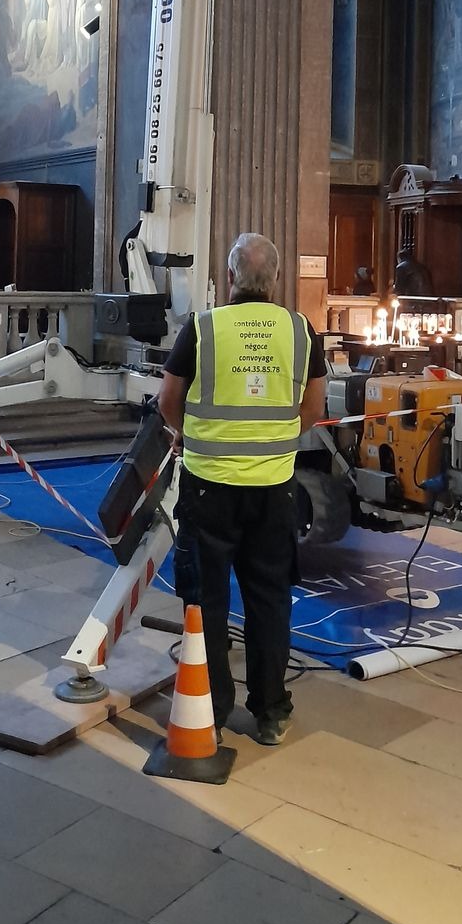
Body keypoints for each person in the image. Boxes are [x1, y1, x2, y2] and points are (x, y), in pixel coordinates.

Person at [158, 232, 327, 745]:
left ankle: (210, 705)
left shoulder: (204, 329)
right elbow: (313, 411)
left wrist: (194, 434)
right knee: (270, 598)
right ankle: (271, 712)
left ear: (231, 276)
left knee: (205, 599)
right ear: (275, 279)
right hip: (274, 490)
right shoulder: (301, 331)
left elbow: (169, 401)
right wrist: (270, 440)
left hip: (209, 487)